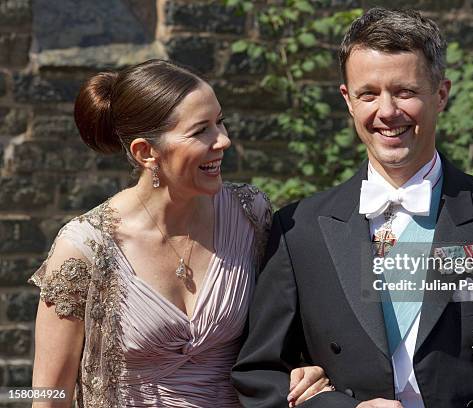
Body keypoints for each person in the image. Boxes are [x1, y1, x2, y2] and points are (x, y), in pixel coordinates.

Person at [231, 8, 473, 408]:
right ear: (347, 100)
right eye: (368, 94)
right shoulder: (298, 229)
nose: (387, 111)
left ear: (442, 93)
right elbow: (258, 375)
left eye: (405, 92)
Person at [29, 59, 329, 407]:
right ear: (146, 152)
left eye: (220, 122)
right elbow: (48, 395)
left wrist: (305, 370)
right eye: (201, 130)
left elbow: (280, 339)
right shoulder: (83, 250)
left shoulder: (252, 215)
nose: (224, 140)